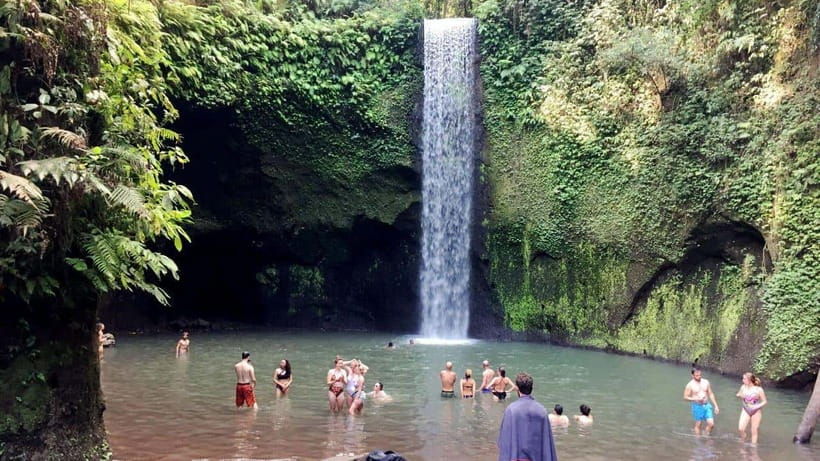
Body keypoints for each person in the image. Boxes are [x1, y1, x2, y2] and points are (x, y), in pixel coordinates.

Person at [497, 372, 557, 461]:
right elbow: (547, 445)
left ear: (517, 388)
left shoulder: (511, 410)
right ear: (531, 388)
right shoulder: (542, 410)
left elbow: (504, 442)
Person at [684, 367, 720, 435]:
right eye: (697, 375)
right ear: (692, 376)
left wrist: (716, 406)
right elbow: (685, 397)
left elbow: (711, 394)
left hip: (707, 405)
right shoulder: (690, 385)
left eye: (700, 375)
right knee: (698, 424)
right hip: (697, 406)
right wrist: (696, 399)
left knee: (711, 424)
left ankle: (705, 435)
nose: (699, 377)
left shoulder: (706, 382)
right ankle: (698, 439)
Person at [736, 372, 767, 444]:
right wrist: (740, 395)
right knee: (740, 428)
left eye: (744, 379)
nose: (742, 380)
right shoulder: (743, 387)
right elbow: (738, 394)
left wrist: (756, 406)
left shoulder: (758, 389)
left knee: (754, 430)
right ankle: (743, 437)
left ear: (749, 380)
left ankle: (753, 447)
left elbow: (765, 401)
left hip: (756, 410)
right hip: (745, 409)